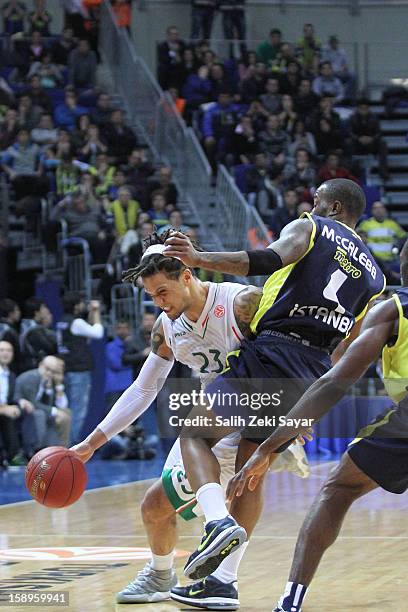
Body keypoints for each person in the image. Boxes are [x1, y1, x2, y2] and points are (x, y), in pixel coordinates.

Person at [162, 178, 386, 602]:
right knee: (251, 471)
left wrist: (198, 256)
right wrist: (306, 407)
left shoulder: (314, 227)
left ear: (334, 207)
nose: (311, 205)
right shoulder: (374, 276)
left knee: (194, 434)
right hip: (313, 371)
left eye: (317, 201)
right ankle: (223, 583)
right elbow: (347, 347)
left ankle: (217, 523)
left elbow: (264, 259)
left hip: (273, 353)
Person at [72, 230, 308, 607]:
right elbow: (143, 389)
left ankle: (222, 578)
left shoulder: (241, 303)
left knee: (245, 483)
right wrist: (91, 443)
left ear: (187, 274)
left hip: (252, 406)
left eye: (162, 292)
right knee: (154, 508)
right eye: (151, 296)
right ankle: (162, 575)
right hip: (216, 412)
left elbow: (290, 356)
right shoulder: (166, 327)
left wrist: (298, 416)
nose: (158, 303)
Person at [227, 243, 408, 612]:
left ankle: (291, 600)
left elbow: (334, 382)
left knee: (339, 489)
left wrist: (268, 447)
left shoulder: (393, 307)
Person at [57, 294, 104, 444]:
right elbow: (97, 332)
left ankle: (65, 442)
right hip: (78, 371)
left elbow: (86, 329)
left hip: (67, 368)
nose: (84, 305)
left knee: (68, 407)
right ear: (76, 306)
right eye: (81, 303)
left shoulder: (63, 322)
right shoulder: (76, 322)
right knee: (78, 410)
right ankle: (70, 446)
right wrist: (96, 312)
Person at [15, 355, 71, 450]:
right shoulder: (31, 377)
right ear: (40, 365)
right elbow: (33, 403)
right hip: (22, 408)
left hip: (40, 410)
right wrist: (55, 411)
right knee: (41, 414)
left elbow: (60, 404)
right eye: (47, 369)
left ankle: (62, 449)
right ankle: (36, 449)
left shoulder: (49, 379)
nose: (49, 373)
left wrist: (55, 386)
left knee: (66, 412)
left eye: (53, 371)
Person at [0, 340, 36, 466]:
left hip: (6, 407)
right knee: (7, 415)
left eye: (9, 350)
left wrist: (21, 401)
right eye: (2, 350)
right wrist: (3, 408)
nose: (5, 353)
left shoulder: (11, 375)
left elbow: (11, 397)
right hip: (2, 409)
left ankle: (29, 452)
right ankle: (12, 456)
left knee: (27, 410)